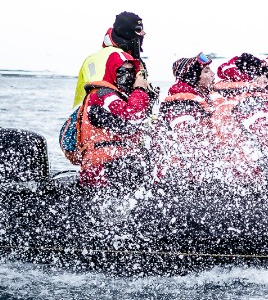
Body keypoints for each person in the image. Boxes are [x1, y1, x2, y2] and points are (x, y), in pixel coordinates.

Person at [76, 49, 151, 188]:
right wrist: (140, 89)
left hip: (119, 163)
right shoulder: (102, 95)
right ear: (112, 71)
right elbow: (132, 116)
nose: (126, 76)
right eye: (121, 71)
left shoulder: (122, 97)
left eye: (130, 72)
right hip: (102, 167)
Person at [152, 53, 217, 182]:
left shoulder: (198, 99)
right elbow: (187, 144)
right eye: (206, 71)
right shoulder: (181, 104)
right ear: (193, 77)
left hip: (190, 175)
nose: (213, 74)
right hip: (180, 178)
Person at [73, 11, 158, 109]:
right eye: (138, 30)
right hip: (112, 112)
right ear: (126, 32)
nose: (143, 33)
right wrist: (141, 89)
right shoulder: (122, 59)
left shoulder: (92, 58)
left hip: (89, 112)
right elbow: (132, 109)